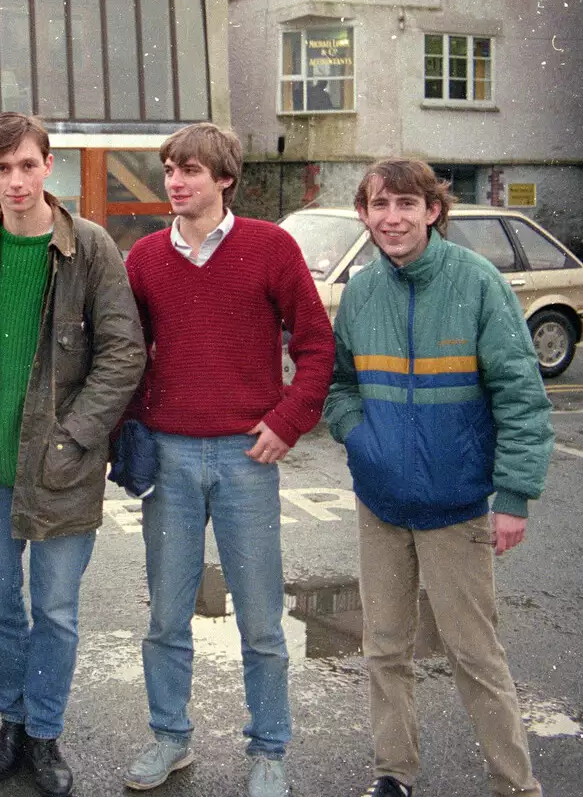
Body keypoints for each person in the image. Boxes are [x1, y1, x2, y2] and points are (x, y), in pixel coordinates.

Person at [0, 112, 145, 797]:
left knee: (54, 608)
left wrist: (77, 431)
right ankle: (14, 720)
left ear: (47, 165)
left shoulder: (92, 246)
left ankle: (45, 730)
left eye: (27, 165)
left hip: (62, 465)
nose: (15, 180)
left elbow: (123, 350)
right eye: (1, 168)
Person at [324, 158, 551, 797]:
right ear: (364, 215)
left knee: (475, 656)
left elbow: (521, 395)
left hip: (456, 505)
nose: (391, 219)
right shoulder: (363, 291)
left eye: (404, 205)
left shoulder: (479, 284)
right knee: (385, 648)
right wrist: (360, 439)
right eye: (377, 206)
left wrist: (514, 495)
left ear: (432, 210)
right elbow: (341, 384)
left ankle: (516, 784)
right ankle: (394, 774)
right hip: (382, 502)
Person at [120, 124, 334, 797]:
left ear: (224, 178)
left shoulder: (271, 247)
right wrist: (129, 434)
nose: (176, 181)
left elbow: (318, 347)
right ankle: (170, 738)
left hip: (248, 457)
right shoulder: (146, 258)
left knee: (262, 618)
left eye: (190, 170)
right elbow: (126, 357)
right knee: (166, 614)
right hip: (170, 456)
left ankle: (269, 747)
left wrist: (287, 420)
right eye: (169, 170)